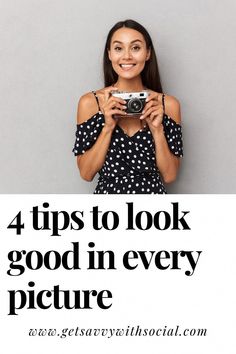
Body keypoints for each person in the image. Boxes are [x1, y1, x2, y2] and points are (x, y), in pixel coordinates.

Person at [73, 19, 183, 194]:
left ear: (148, 53)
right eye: (118, 48)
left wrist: (157, 130)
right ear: (109, 54)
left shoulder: (167, 105)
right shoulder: (90, 103)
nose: (127, 56)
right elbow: (86, 173)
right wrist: (108, 127)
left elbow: (169, 175)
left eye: (136, 48)